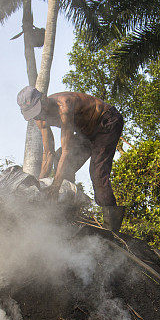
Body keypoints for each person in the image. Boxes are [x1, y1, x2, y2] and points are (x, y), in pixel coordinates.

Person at [17, 86, 125, 233]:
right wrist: (40, 185)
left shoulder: (64, 106)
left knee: (97, 172)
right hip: (85, 132)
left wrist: (55, 187)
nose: (39, 116)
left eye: (38, 111)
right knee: (57, 157)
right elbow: (48, 154)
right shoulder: (39, 119)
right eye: (33, 114)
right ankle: (69, 207)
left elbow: (67, 151)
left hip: (106, 122)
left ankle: (112, 228)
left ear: (43, 98)